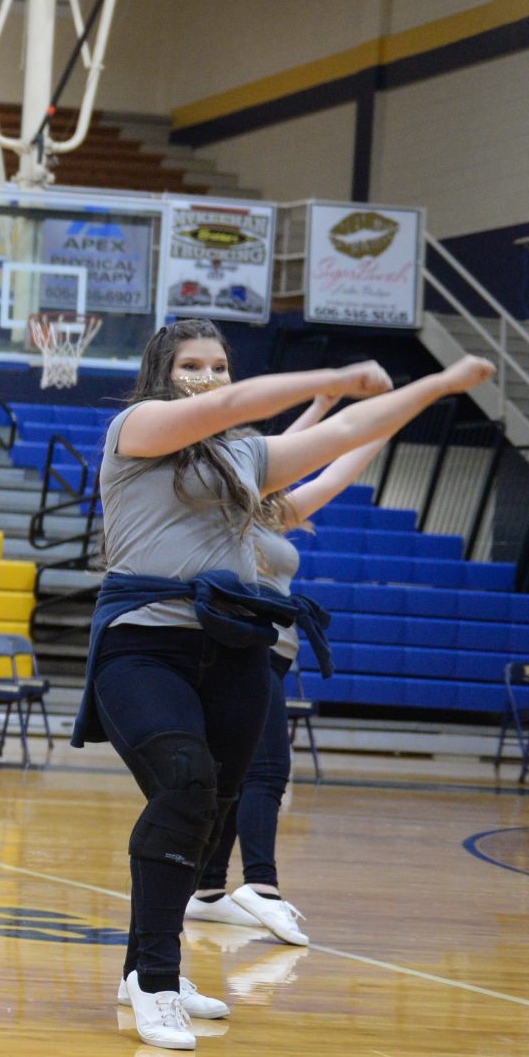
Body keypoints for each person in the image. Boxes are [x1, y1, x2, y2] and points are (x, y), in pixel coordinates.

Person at [75, 320, 493, 1050]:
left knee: (211, 813)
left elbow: (342, 439)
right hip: (144, 643)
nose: (207, 376)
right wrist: (330, 381)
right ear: (162, 372)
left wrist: (438, 385)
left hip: (235, 650)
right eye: (191, 364)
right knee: (184, 783)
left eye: (219, 364)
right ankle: (158, 981)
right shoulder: (135, 428)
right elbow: (228, 408)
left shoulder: (245, 458)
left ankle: (144, 966)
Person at [185, 400, 388, 949]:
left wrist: (385, 422)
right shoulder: (219, 515)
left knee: (236, 775)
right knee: (269, 771)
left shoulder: (274, 513)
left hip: (274, 655)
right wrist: (324, 409)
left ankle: (207, 891)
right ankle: (262, 885)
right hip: (240, 652)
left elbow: (332, 472)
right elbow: (272, 458)